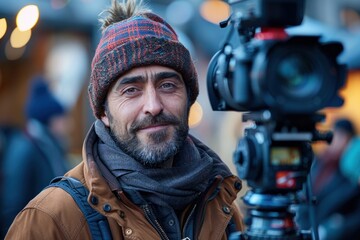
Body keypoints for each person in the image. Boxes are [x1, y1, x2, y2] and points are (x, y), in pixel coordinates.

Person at [5, 0, 244, 239]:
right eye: (131, 90)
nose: (153, 106)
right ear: (103, 113)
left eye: (168, 85)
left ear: (189, 99)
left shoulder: (221, 205)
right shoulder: (51, 220)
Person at [0, 76, 69, 238]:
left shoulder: (50, 146)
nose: (68, 123)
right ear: (49, 119)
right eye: (62, 118)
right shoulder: (25, 148)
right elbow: (13, 203)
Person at [296, 118, 360, 240]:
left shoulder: (351, 168)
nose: (336, 141)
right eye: (334, 135)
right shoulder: (320, 161)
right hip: (307, 226)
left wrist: (331, 229)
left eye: (341, 136)